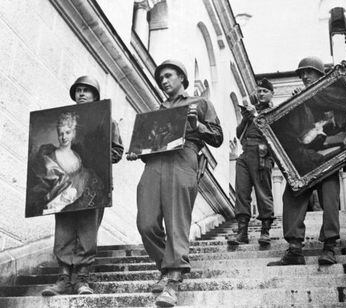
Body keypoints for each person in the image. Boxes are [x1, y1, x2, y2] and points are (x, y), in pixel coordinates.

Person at [127, 59, 223, 307]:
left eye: (168, 76)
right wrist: (138, 150)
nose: (164, 81)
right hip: (154, 164)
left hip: (183, 159)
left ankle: (173, 280)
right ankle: (165, 267)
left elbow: (218, 138)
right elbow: (149, 142)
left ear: (182, 77)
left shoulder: (200, 103)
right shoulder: (158, 110)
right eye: (161, 79)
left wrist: (197, 124)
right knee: (146, 223)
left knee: (177, 221)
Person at [41, 76, 124, 296]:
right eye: (78, 90)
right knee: (64, 229)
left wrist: (95, 151)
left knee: (87, 232)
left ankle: (82, 279)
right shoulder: (65, 122)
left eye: (86, 90)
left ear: (96, 95)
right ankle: (63, 278)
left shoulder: (108, 120)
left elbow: (116, 152)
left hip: (93, 186)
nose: (81, 94)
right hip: (66, 184)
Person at [267, 57, 341, 266]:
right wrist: (295, 106)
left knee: (330, 200)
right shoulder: (298, 100)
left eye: (309, 72)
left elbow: (344, 125)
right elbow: (291, 133)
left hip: (328, 157)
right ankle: (294, 249)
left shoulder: (335, 96)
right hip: (303, 159)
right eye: (302, 74)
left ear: (321, 74)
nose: (305, 77)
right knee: (292, 197)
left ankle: (329, 247)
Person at [227, 78, 275, 247]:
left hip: (261, 153)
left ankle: (265, 231)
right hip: (245, 152)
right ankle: (242, 231)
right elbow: (239, 133)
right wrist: (245, 118)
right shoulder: (253, 111)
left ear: (271, 94)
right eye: (259, 91)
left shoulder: (274, 111)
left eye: (265, 91)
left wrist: (254, 115)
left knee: (263, 192)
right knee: (241, 191)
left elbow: (272, 131)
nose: (261, 94)